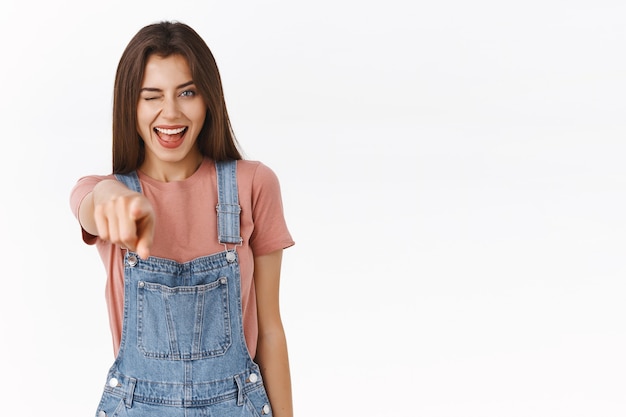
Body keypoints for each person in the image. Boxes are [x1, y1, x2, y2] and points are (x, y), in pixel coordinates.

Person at [69, 21, 294, 417]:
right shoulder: (110, 194)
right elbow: (88, 203)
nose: (170, 112)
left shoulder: (253, 184)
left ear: (209, 98)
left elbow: (271, 328)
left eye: (186, 92)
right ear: (129, 106)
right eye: (151, 96)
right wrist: (107, 196)